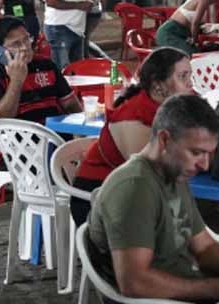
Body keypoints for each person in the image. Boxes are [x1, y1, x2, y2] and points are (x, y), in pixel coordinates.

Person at [87, 94, 219, 302]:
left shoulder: (175, 177)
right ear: (164, 140)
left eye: (209, 154)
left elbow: (205, 248)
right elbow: (135, 282)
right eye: (196, 152)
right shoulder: (134, 187)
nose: (205, 165)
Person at [71, 48, 192, 226]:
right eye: (183, 76)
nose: (190, 83)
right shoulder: (133, 115)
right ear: (158, 85)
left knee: (212, 222)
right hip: (98, 197)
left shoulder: (172, 106)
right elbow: (147, 173)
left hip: (137, 195)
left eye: (190, 75)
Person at [0, 16, 82, 125]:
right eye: (16, 44)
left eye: (27, 39)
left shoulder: (46, 65)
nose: (25, 47)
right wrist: (16, 81)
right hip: (16, 140)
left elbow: (71, 105)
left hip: (56, 136)